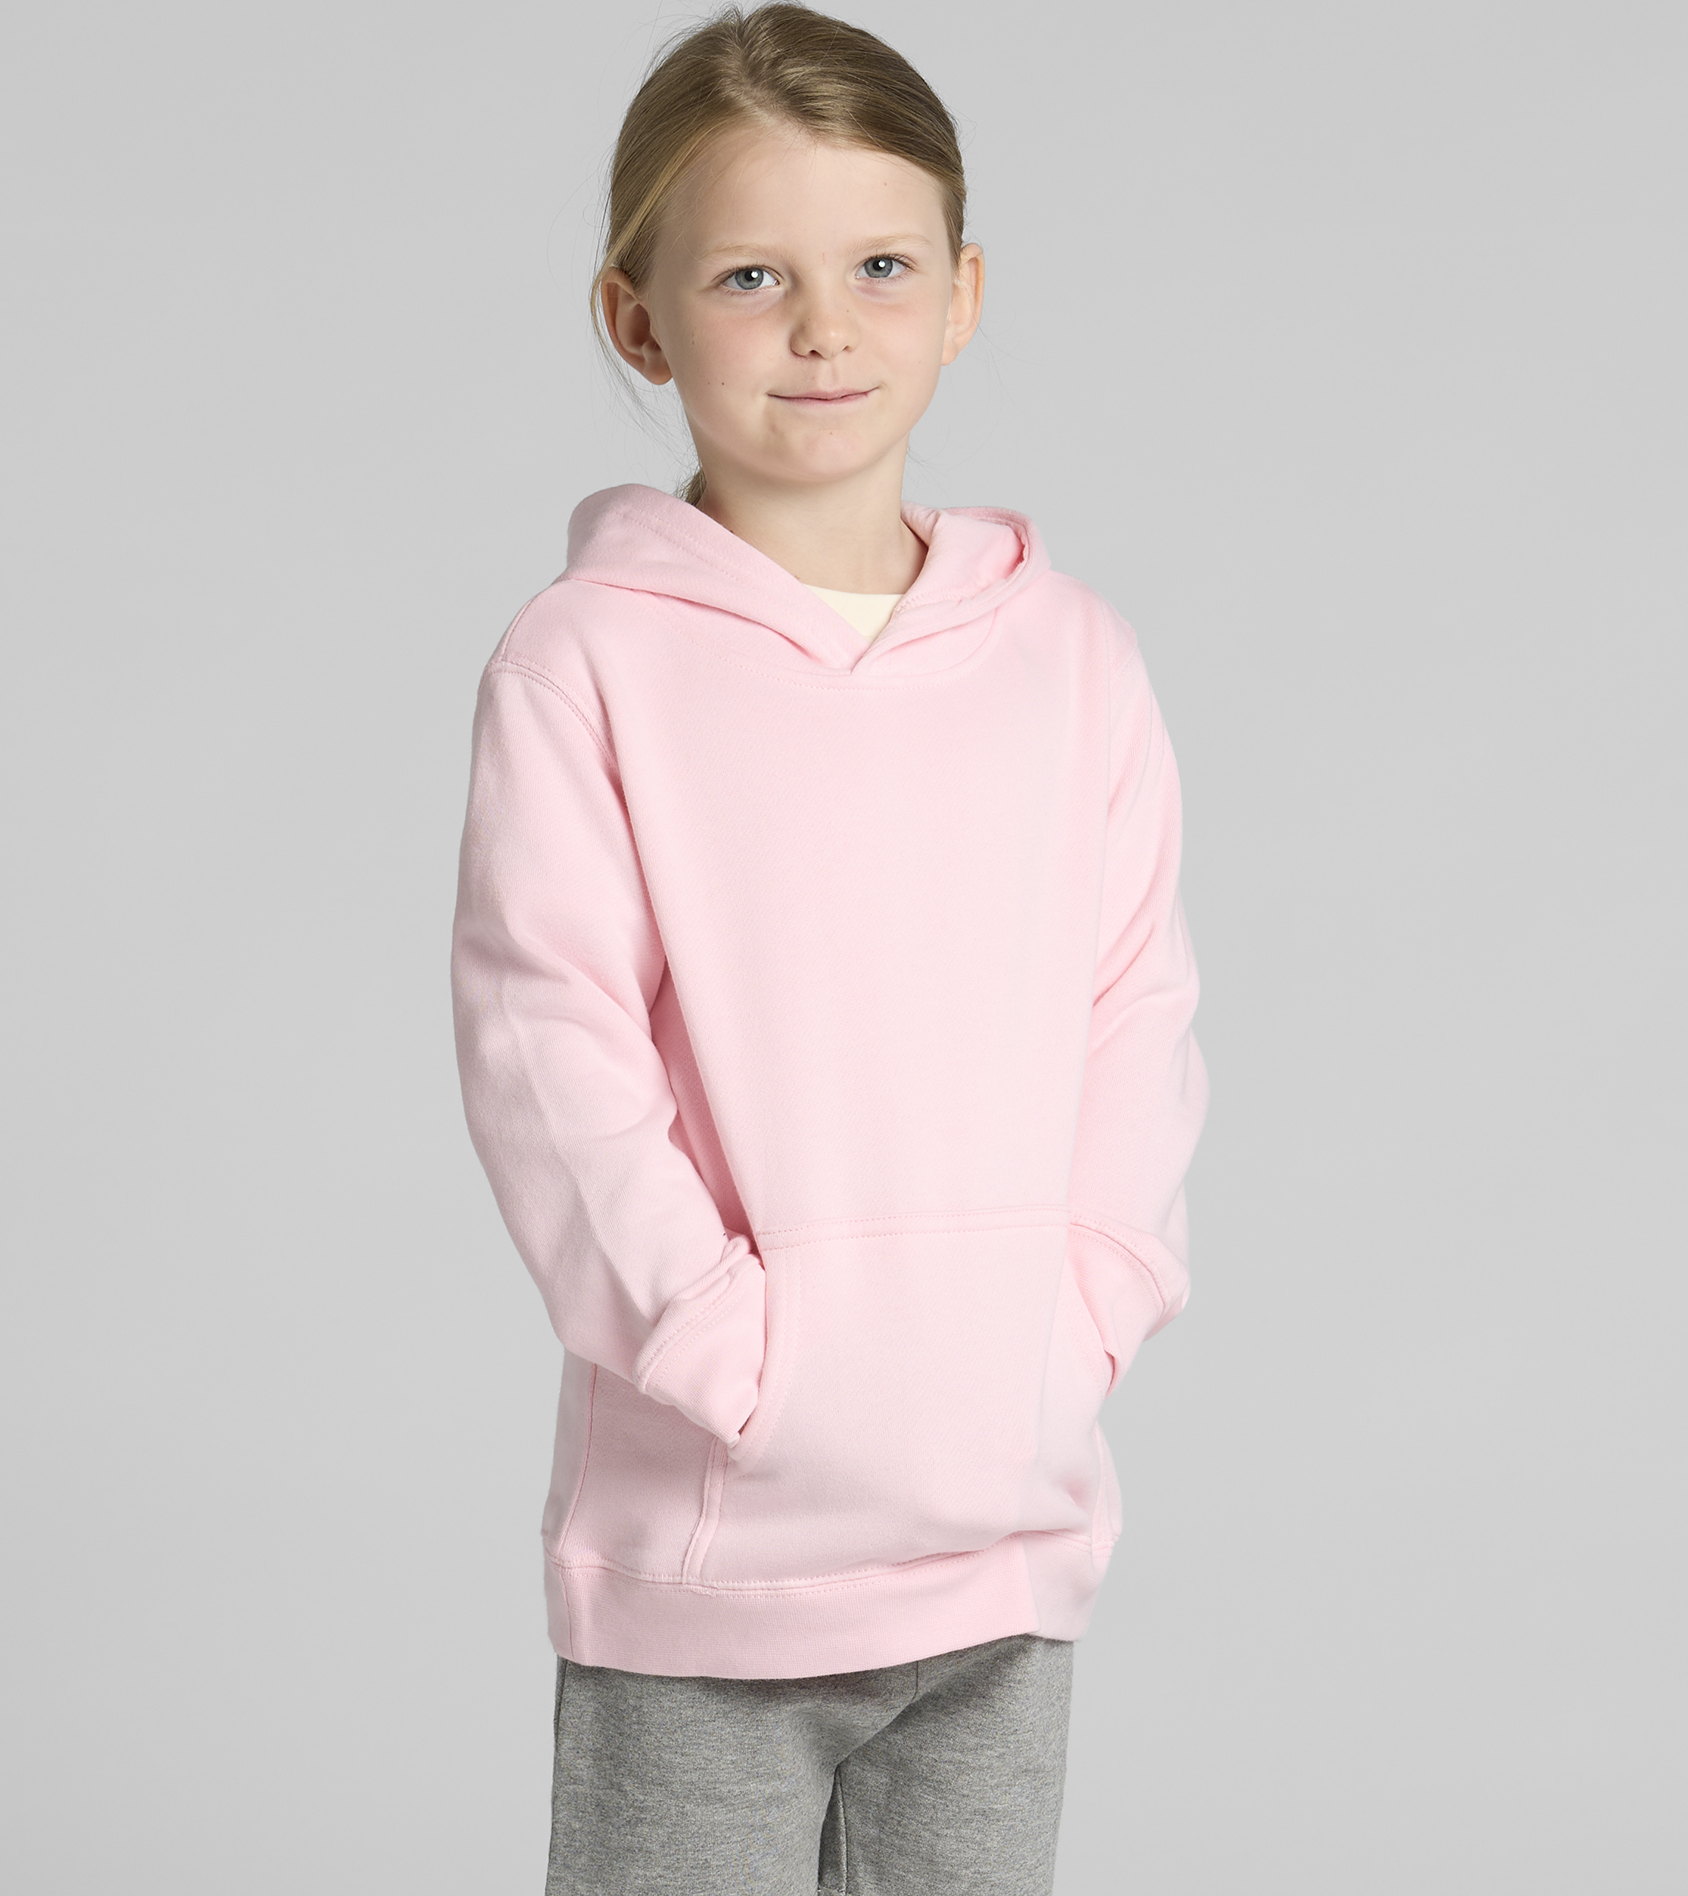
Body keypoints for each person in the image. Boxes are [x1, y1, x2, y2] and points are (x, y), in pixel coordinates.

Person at [448, 6, 1209, 1890]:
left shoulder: (1072, 659)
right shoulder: (588, 662)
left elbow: (1137, 1008)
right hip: (716, 1559)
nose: (823, 327)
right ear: (637, 319)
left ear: (964, 295)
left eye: (880, 268)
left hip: (1005, 1533)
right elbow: (551, 1050)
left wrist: (1086, 1309)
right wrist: (727, 1356)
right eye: (749, 276)